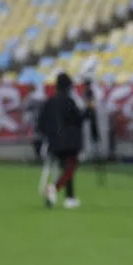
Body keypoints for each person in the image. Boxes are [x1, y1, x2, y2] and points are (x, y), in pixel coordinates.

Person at [37, 72, 84, 209]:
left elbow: (40, 123)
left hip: (54, 142)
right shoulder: (69, 101)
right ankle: (54, 188)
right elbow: (78, 119)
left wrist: (49, 136)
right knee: (70, 168)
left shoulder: (49, 102)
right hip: (70, 141)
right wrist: (88, 110)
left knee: (66, 168)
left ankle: (70, 198)